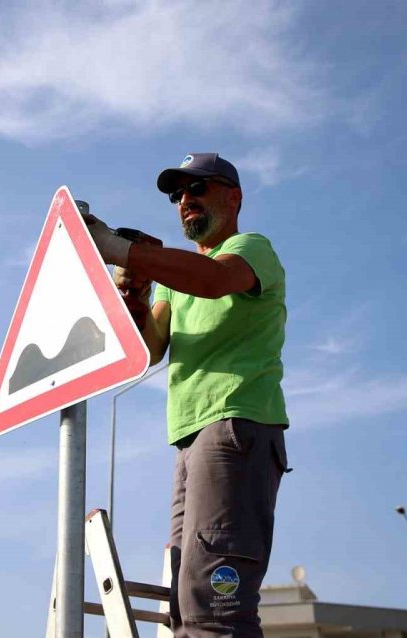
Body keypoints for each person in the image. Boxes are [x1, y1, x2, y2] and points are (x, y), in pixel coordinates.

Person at [85, 152, 289, 637]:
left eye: (197, 189)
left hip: (234, 427)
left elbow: (216, 281)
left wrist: (117, 248)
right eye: (177, 195)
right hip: (190, 439)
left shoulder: (250, 249)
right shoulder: (174, 284)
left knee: (215, 608)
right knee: (186, 606)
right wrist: (133, 290)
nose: (184, 201)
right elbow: (150, 348)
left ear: (233, 197)